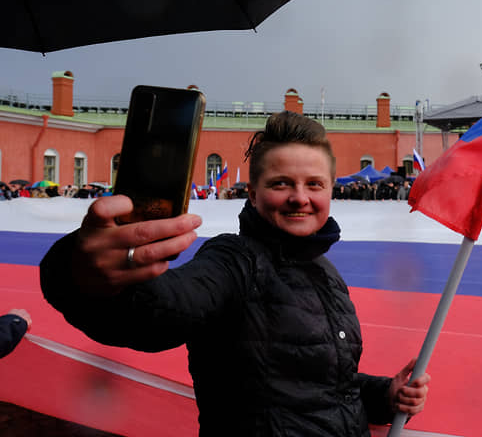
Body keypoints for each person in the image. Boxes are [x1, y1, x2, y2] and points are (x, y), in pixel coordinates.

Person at [40, 112, 430, 436]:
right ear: (254, 193)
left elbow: (324, 386)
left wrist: (386, 396)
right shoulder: (234, 260)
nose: (300, 196)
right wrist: (79, 272)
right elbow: (155, 314)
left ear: (330, 191)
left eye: (314, 184)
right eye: (281, 183)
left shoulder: (325, 272)